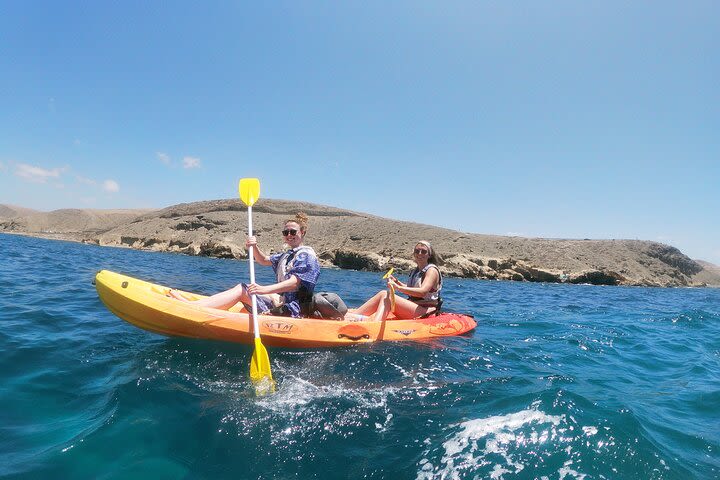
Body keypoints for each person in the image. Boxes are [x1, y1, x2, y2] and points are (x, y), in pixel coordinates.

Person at [169, 212, 320, 318]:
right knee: (246, 287)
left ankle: (195, 308)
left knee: (243, 289)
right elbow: (263, 260)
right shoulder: (287, 255)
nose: (289, 235)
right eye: (285, 232)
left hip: (294, 309)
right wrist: (254, 247)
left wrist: (264, 290)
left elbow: (295, 283)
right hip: (282, 301)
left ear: (302, 232)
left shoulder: (307, 256)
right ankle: (201, 305)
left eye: (293, 232)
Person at [353, 241, 443, 321]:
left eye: (423, 251)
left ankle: (374, 325)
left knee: (386, 295)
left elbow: (422, 292)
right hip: (415, 307)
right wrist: (397, 282)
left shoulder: (431, 271)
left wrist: (398, 288)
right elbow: (411, 289)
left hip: (426, 312)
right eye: (417, 251)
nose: (419, 254)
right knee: (382, 293)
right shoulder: (417, 270)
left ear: (429, 254)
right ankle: (352, 317)